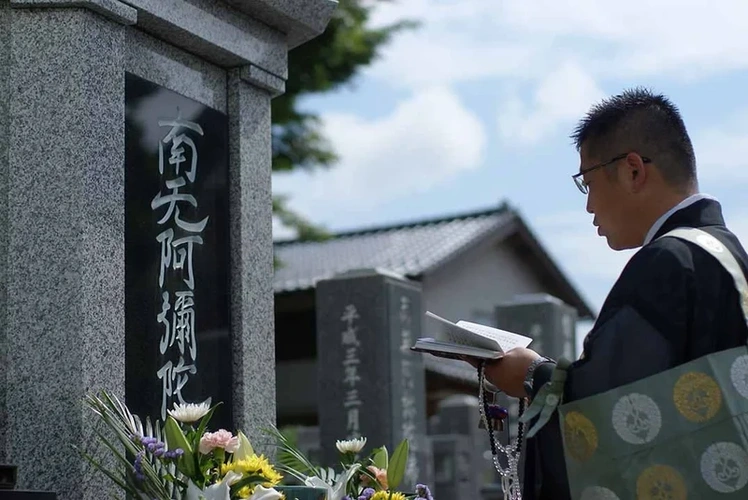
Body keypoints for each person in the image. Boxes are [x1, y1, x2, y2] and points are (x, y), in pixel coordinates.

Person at [479, 87, 748, 499]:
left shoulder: (668, 262)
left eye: (587, 182)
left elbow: (611, 407)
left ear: (633, 170)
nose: (588, 208)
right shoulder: (727, 254)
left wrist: (534, 375)